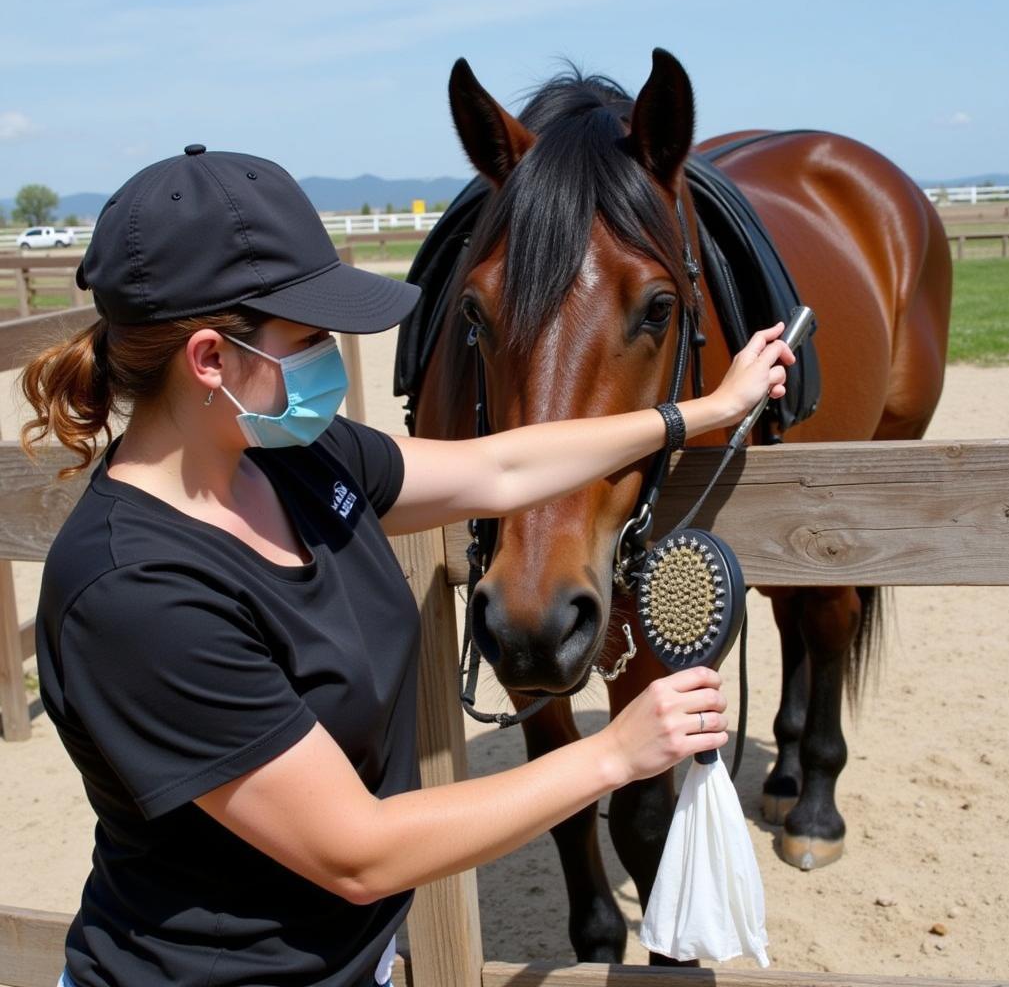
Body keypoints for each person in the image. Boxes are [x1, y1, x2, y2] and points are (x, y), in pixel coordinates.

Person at [21, 145, 795, 987]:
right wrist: (615, 752)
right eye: (309, 338)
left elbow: (498, 469)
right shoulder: (136, 591)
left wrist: (697, 412)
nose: (327, 361)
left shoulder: (292, 458)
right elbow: (356, 852)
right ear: (210, 360)